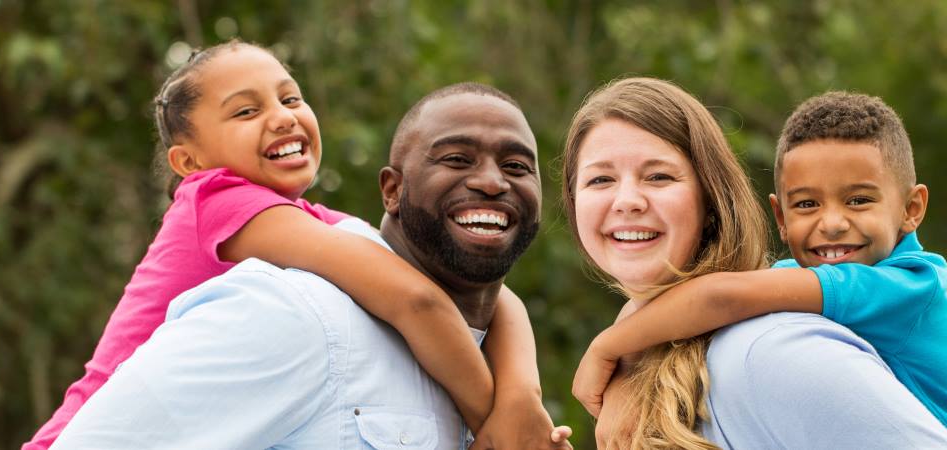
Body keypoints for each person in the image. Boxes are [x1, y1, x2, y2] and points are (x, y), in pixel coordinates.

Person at [28, 40, 556, 448]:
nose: (282, 116)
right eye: (245, 112)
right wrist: (493, 422)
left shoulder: (310, 224)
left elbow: (494, 297)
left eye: (290, 97)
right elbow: (416, 300)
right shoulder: (217, 201)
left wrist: (521, 395)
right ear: (189, 162)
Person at [571, 91, 947, 448]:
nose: (833, 223)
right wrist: (627, 377)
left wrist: (607, 350)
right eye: (807, 204)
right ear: (780, 217)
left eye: (859, 200)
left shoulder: (904, 284)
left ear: (912, 208)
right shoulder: (797, 284)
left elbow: (717, 298)